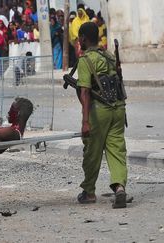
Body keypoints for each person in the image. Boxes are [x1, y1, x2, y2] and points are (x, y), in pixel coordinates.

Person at [75, 22, 128, 209]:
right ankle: (120, 187)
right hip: (119, 108)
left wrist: (85, 121)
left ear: (83, 38)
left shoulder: (85, 60)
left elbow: (85, 93)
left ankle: (89, 192)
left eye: (78, 38)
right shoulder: (109, 55)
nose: (78, 42)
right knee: (117, 149)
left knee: (92, 151)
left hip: (100, 111)